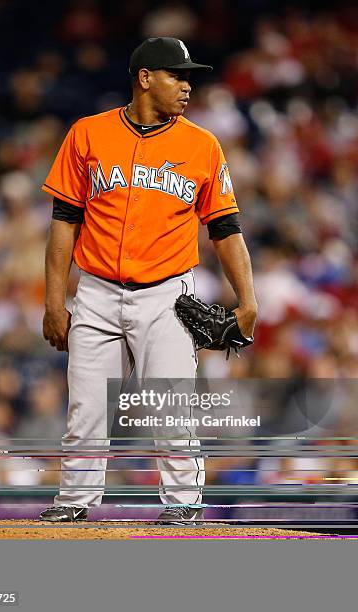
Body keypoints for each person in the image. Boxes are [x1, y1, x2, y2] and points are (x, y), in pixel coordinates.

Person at [39, 37, 257, 523]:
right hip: (95, 291)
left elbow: (224, 227)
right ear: (144, 77)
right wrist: (55, 302)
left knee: (171, 411)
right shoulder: (88, 133)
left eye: (188, 78)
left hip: (166, 295)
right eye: (177, 76)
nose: (186, 87)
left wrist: (248, 298)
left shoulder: (202, 144)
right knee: (86, 410)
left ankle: (183, 505)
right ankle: (74, 502)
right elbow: (62, 223)